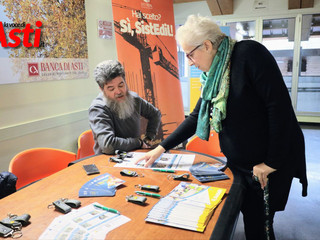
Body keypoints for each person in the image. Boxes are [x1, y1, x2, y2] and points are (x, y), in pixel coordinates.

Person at [136, 15, 308, 240]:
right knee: (250, 218)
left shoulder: (249, 55)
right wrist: (161, 148)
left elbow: (280, 110)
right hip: (241, 165)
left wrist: (270, 163)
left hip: (266, 164)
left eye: (189, 54)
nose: (189, 62)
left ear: (207, 45)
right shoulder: (213, 75)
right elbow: (197, 116)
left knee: (260, 227)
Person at [89, 60, 161, 155]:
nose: (118, 91)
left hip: (134, 155)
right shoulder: (98, 108)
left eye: (121, 85)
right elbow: (108, 145)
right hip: (108, 160)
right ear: (102, 89)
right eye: (111, 89)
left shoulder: (134, 99)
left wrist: (148, 138)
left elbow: (155, 114)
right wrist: (138, 142)